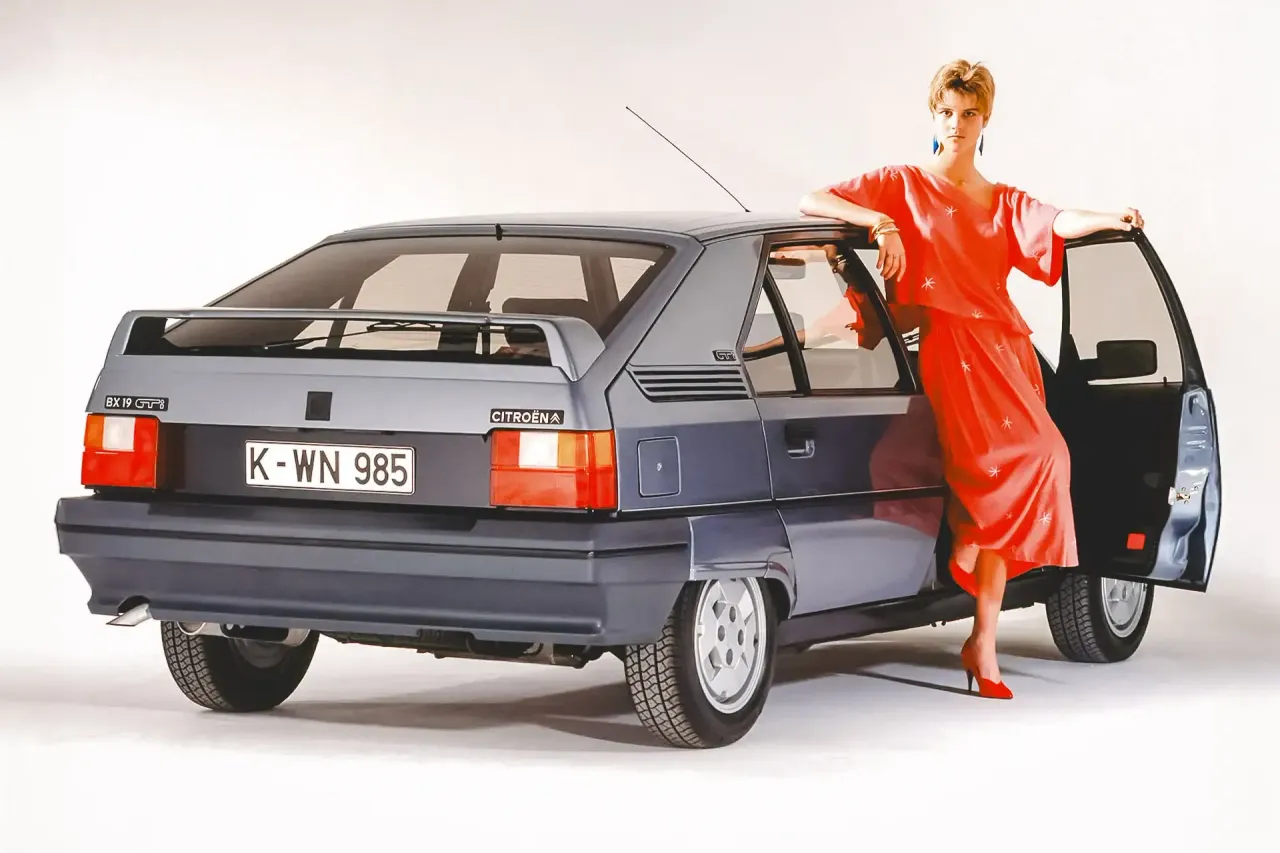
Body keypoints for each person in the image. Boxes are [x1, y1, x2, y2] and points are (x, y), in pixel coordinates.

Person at [798, 59, 1144, 699]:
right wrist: (882, 223)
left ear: (985, 121)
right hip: (949, 352)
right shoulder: (901, 184)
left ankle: (983, 637)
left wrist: (1108, 217)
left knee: (1046, 458)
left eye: (969, 114)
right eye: (946, 112)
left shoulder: (1002, 199)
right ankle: (978, 628)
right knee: (988, 482)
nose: (956, 124)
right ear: (933, 117)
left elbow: (1054, 220)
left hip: (1005, 354)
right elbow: (812, 200)